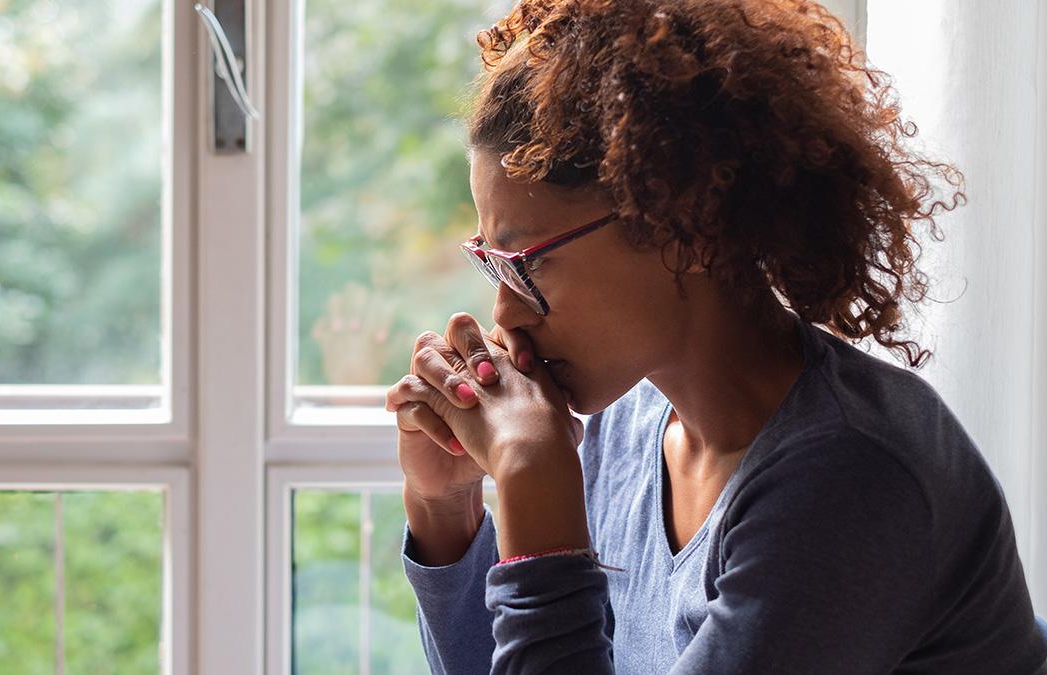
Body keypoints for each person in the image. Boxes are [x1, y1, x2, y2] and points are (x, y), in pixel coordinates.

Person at [384, 0, 1047, 672]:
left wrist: (533, 480)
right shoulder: (622, 424)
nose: (507, 313)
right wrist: (447, 508)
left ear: (686, 224)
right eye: (492, 263)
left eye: (527, 261)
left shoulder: (851, 477)